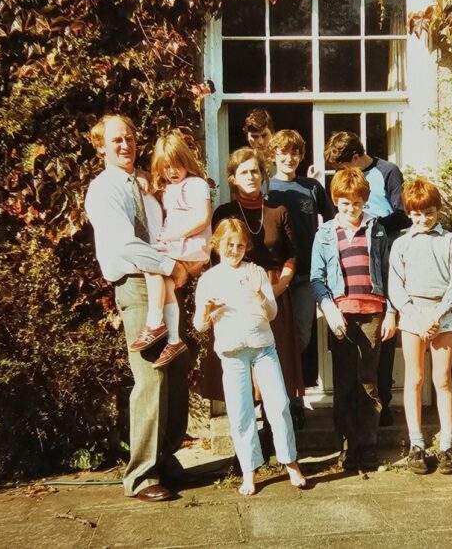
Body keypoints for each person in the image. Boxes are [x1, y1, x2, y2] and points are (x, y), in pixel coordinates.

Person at [84, 114, 191, 502]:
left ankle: (164, 458)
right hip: (136, 286)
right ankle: (142, 476)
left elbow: (163, 228)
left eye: (129, 138)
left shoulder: (144, 185)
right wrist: (170, 266)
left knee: (178, 368)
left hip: (165, 284)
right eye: (116, 140)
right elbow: (123, 244)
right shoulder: (103, 190)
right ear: (100, 147)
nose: (125, 145)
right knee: (150, 376)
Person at [193, 219, 307, 495]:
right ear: (217, 245)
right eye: (229, 245)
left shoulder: (256, 272)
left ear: (247, 247)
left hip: (262, 348)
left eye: (240, 245)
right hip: (232, 353)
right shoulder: (209, 279)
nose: (234, 250)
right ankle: (249, 470)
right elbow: (200, 325)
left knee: (279, 404)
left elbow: (271, 313)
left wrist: (261, 296)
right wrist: (207, 311)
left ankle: (290, 462)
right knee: (241, 412)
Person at [310, 167, 396, 471]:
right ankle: (346, 446)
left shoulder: (378, 230)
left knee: (368, 381)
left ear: (365, 201)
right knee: (345, 383)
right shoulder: (324, 234)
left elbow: (390, 274)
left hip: (373, 312)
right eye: (345, 203)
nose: (350, 209)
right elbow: (316, 278)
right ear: (335, 201)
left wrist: (391, 312)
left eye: (356, 203)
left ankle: (367, 445)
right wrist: (330, 310)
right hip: (341, 316)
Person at [210, 147, 304, 423]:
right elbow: (216, 257)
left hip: (274, 290)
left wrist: (282, 283)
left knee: (275, 360)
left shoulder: (278, 211)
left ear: (264, 175)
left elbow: (292, 253)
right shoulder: (225, 212)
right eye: (243, 172)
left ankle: (276, 429)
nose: (250, 176)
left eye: (255, 171)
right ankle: (247, 434)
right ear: (233, 179)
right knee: (241, 359)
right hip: (235, 292)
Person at [324, 131, 410, 426]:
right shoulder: (347, 187)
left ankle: (381, 403)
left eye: (345, 166)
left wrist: (371, 227)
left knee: (382, 340)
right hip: (353, 258)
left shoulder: (388, 171)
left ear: (356, 157)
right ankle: (352, 414)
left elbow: (403, 215)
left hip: (384, 254)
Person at [388, 177, 452, 474]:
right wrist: (415, 316)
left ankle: (447, 445)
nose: (423, 219)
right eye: (417, 214)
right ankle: (416, 445)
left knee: (442, 379)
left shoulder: (450, 241)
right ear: (409, 213)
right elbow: (395, 286)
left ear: (438, 211)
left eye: (429, 213)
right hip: (412, 316)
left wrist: (437, 315)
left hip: (441, 314)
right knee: (415, 378)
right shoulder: (401, 244)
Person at [129, 131, 212, 369]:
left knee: (152, 265)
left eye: (177, 165)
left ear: (186, 162)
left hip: (191, 245)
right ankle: (174, 340)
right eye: (166, 168)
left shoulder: (196, 184)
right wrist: (142, 175)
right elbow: (156, 185)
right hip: (179, 246)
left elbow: (203, 218)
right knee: (165, 283)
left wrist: (173, 236)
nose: (172, 172)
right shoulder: (171, 187)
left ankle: (154, 322)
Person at [267, 129, 335, 395]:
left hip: (306, 273)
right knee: (277, 338)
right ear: (274, 155)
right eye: (283, 152)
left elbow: (331, 225)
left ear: (301, 155)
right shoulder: (266, 188)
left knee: (303, 336)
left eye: (295, 152)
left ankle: (294, 393)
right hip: (276, 274)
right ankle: (283, 400)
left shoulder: (312, 187)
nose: (289, 158)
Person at [243, 108, 276, 183]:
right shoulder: (242, 162)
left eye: (264, 135)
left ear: (273, 133)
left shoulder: (283, 159)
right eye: (255, 137)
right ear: (247, 137)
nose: (261, 142)